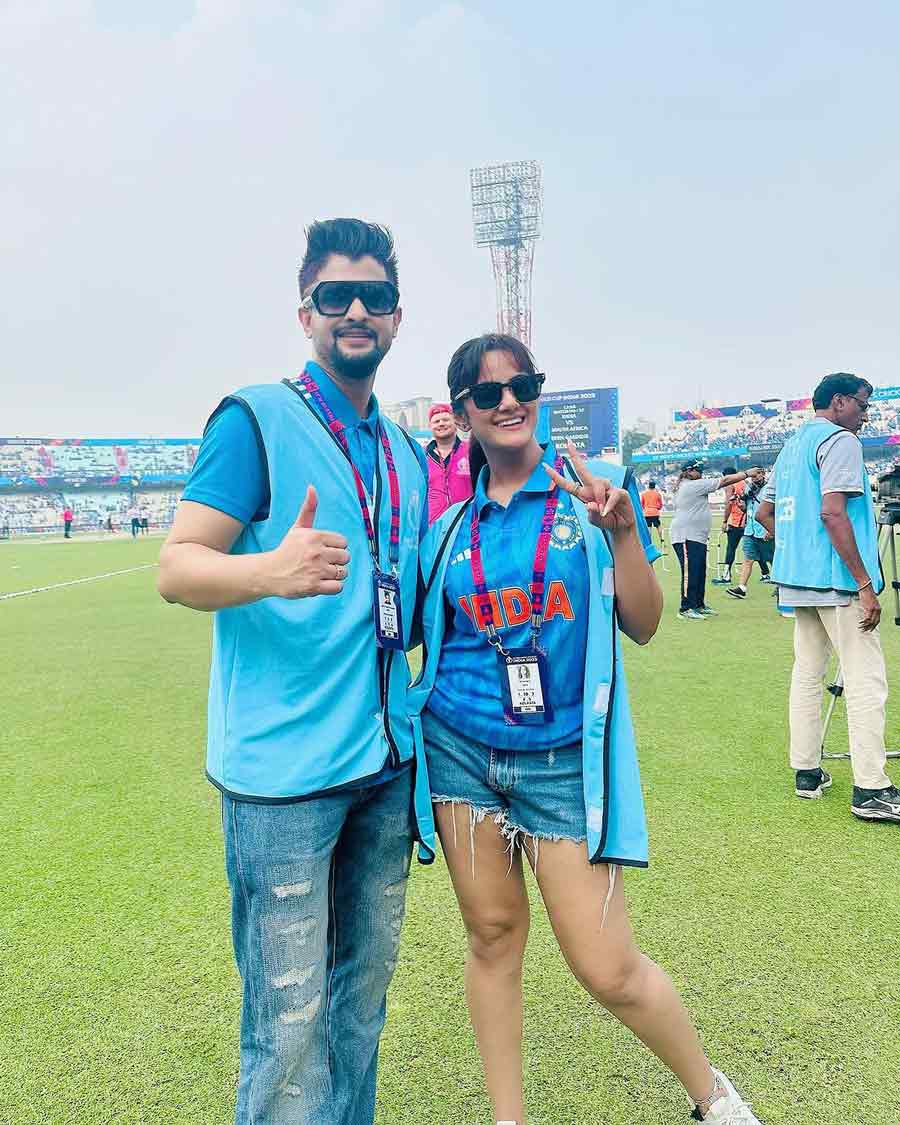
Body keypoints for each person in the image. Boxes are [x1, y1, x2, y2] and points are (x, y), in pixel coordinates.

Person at [410, 333, 762, 1125]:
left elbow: (644, 623)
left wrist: (624, 532)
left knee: (608, 967)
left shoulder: (593, 494)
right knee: (493, 937)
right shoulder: (448, 525)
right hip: (460, 752)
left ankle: (715, 1097)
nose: (507, 400)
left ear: (536, 392)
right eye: (486, 391)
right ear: (463, 411)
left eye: (521, 384)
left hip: (562, 762)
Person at [157, 218, 436, 1125]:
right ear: (306, 311)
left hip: (385, 770)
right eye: (336, 296)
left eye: (376, 296)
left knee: (359, 1006)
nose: (357, 310)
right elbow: (178, 566)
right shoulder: (255, 417)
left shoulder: (401, 453)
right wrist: (269, 569)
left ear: (397, 317)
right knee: (288, 1022)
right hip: (284, 783)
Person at [756, 372, 899, 823]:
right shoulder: (841, 442)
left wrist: (796, 549)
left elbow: (765, 511)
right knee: (865, 680)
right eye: (861, 405)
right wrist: (863, 583)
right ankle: (871, 788)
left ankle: (807, 772)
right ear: (838, 403)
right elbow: (833, 511)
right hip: (837, 583)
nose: (865, 414)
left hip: (798, 581)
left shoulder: (793, 444)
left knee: (807, 675)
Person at [669, 461, 758, 620]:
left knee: (699, 571)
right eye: (699, 470)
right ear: (690, 471)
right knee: (690, 571)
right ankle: (686, 608)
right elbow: (724, 481)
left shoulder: (690, 485)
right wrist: (746, 474)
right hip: (686, 535)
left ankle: (698, 604)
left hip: (696, 536)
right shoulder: (691, 485)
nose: (701, 473)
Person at [726, 469, 773, 599]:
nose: (753, 477)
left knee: (773, 559)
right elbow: (748, 508)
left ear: (763, 474)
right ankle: (741, 588)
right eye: (752, 475)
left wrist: (771, 529)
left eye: (756, 474)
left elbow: (774, 509)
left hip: (764, 529)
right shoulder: (748, 489)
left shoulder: (770, 489)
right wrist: (741, 506)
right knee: (747, 559)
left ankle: (781, 587)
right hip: (750, 529)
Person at [425, 402, 473, 522]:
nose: (441, 424)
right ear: (430, 426)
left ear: (455, 423)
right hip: (434, 528)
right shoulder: (422, 456)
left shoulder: (471, 451)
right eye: (436, 421)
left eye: (446, 420)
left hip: (467, 523)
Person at [716, 466, 746, 585]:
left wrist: (724, 521)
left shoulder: (730, 484)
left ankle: (726, 576)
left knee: (731, 548)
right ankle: (766, 573)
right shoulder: (743, 482)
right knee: (757, 547)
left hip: (737, 521)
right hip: (747, 519)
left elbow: (728, 503)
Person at [640, 478, 665, 550]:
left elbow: (642, 504)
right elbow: (660, 504)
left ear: (648, 486)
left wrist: (645, 509)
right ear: (654, 486)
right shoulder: (657, 494)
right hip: (655, 512)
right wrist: (657, 508)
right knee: (658, 527)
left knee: (649, 528)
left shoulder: (644, 494)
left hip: (647, 513)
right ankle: (661, 541)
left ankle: (649, 543)